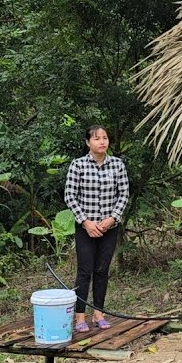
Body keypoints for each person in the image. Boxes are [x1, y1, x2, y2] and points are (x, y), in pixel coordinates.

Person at [64, 125, 130, 332]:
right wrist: (85, 221)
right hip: (86, 228)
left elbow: (124, 194)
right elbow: (70, 196)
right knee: (85, 271)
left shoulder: (117, 165)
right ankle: (80, 317)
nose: (102, 142)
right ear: (88, 142)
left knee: (102, 271)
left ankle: (98, 314)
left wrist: (113, 218)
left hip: (109, 228)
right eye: (96, 138)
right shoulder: (78, 165)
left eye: (105, 138)